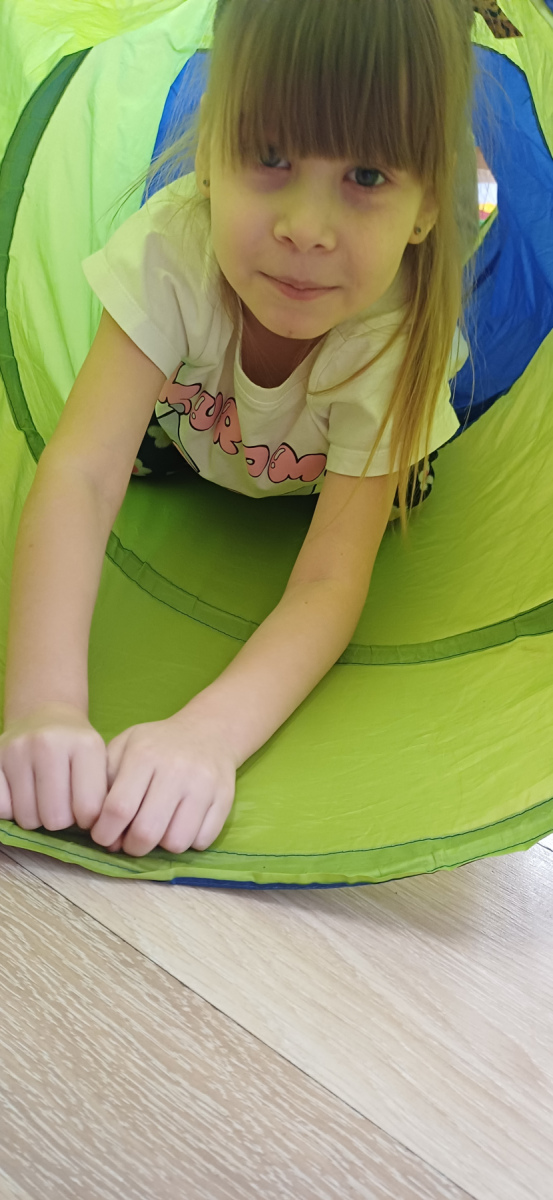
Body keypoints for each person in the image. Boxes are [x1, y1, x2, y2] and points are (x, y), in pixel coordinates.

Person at [0, 0, 481, 857]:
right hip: (191, 434)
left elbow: (329, 578)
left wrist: (207, 737)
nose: (305, 228)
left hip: (325, 474)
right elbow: (82, 473)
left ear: (424, 206)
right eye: (269, 155)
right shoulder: (172, 247)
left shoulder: (396, 338)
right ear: (211, 151)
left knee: (408, 484)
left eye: (366, 176)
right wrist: (43, 706)